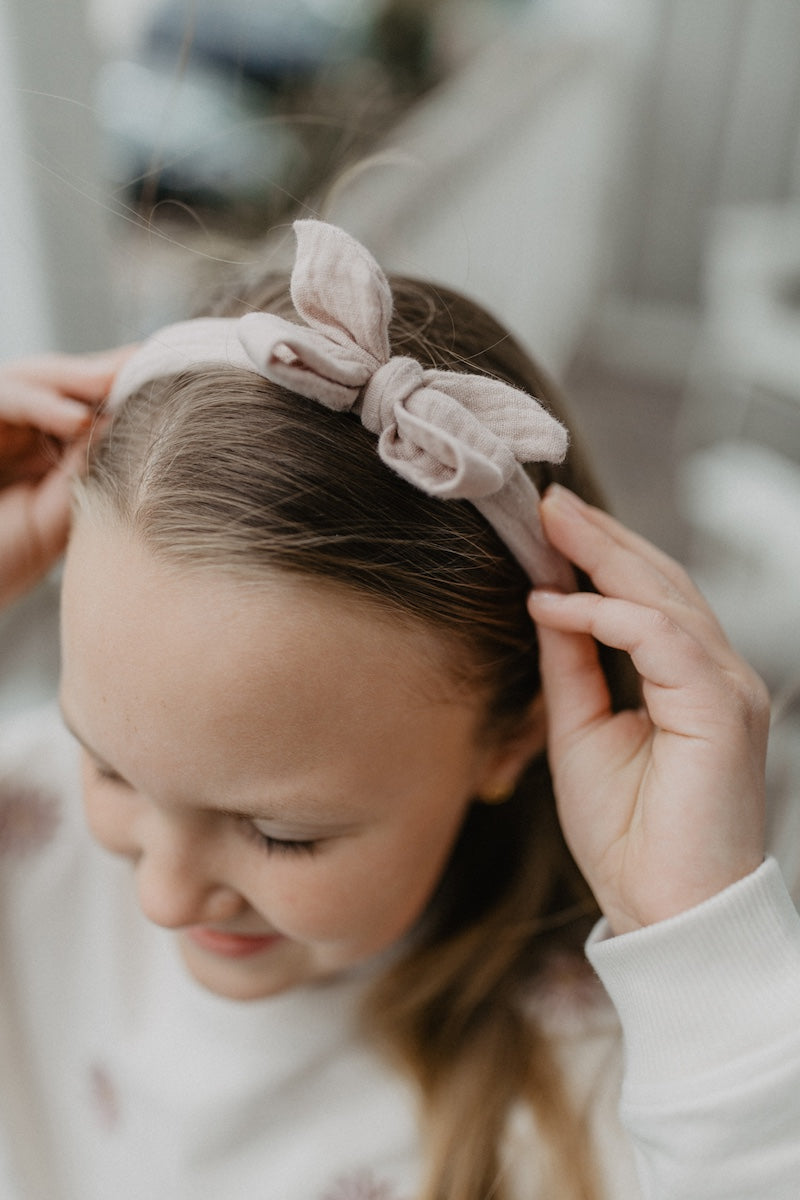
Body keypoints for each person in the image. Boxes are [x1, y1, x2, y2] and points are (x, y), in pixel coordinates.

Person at [0, 219, 798, 1200]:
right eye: (109, 768)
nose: (162, 896)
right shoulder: (22, 838)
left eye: (280, 836)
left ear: (512, 732)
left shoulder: (622, 1084)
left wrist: (697, 945)